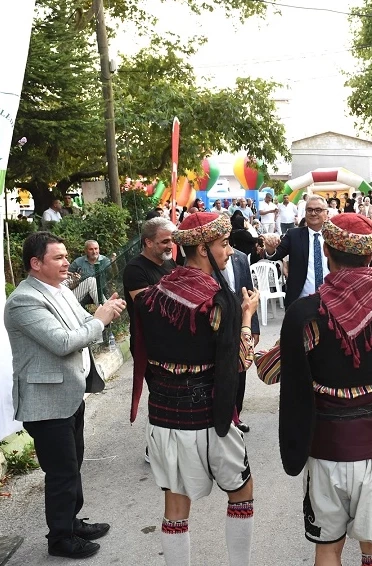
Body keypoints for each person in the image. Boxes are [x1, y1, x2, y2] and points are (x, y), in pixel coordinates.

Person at [278, 213, 372, 566]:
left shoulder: (305, 313)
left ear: (326, 250)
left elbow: (273, 373)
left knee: (327, 548)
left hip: (326, 447)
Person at [130, 212, 259, 566]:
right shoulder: (221, 300)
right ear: (202, 249)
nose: (230, 252)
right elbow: (241, 361)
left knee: (175, 504)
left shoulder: (152, 296)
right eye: (224, 244)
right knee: (242, 492)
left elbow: (141, 353)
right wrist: (247, 316)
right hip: (209, 413)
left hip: (164, 412)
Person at [5, 232, 125, 558]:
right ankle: (60, 539)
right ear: (36, 263)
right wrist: (99, 320)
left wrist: (103, 312)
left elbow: (83, 321)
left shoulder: (59, 289)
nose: (65, 262)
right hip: (46, 403)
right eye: (57, 257)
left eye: (65, 256)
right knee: (61, 472)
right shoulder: (23, 301)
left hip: (70, 394)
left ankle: (72, 522)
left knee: (73, 464)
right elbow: (62, 341)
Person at [262, 195, 330, 308]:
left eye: (318, 210)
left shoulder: (334, 236)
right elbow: (276, 253)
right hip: (301, 300)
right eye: (310, 210)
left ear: (326, 213)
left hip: (331, 299)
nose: (313, 213)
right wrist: (270, 249)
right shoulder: (293, 235)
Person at [122, 217, 177, 356]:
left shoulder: (169, 262)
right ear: (148, 242)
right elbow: (149, 307)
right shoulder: (135, 269)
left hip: (171, 340)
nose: (171, 246)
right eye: (165, 241)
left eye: (172, 240)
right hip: (149, 344)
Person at [222, 241, 261, 432]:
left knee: (241, 373)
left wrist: (253, 326)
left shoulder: (240, 257)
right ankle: (225, 417)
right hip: (219, 327)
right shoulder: (203, 260)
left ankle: (236, 417)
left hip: (241, 325)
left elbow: (249, 292)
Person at [68, 240, 113, 306]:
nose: (94, 252)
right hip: (83, 293)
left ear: (99, 249)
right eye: (91, 249)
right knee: (91, 281)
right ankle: (106, 308)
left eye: (96, 249)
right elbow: (68, 274)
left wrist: (114, 265)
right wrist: (74, 278)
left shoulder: (105, 261)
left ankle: (104, 308)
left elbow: (111, 276)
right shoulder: (78, 262)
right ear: (85, 251)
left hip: (101, 291)